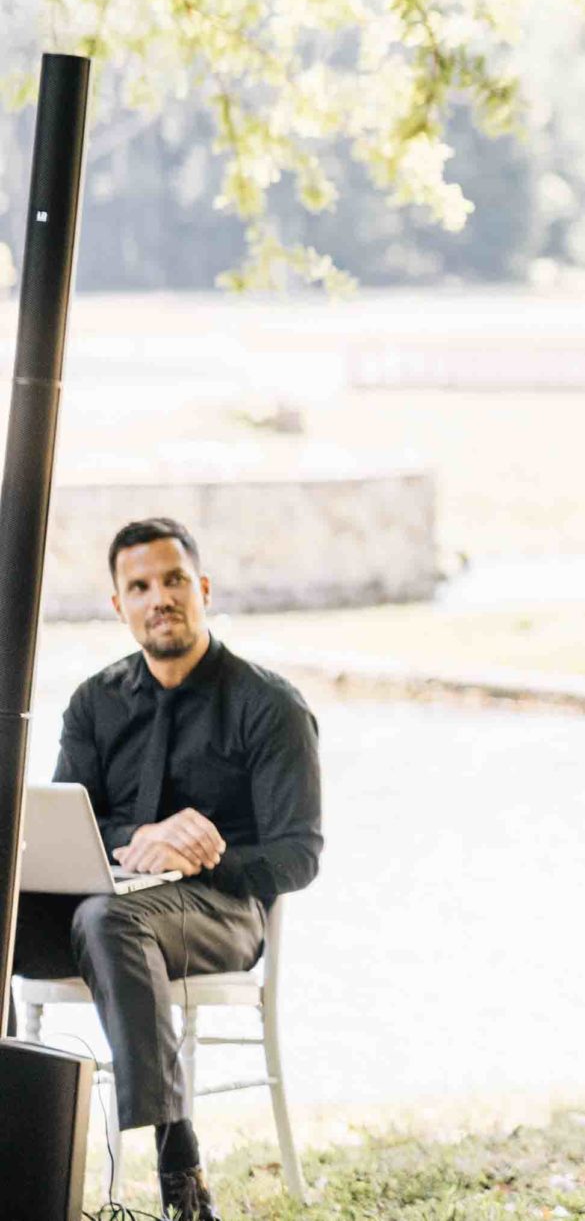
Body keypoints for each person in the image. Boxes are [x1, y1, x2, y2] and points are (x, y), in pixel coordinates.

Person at [9, 518, 323, 1221]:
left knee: (108, 919)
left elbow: (299, 854)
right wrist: (138, 839)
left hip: (223, 912)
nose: (160, 598)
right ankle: (14, 1149)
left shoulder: (269, 705)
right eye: (140, 586)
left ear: (203, 588)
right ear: (118, 604)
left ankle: (182, 1173)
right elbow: (67, 824)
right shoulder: (94, 702)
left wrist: (209, 852)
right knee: (7, 909)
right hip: (109, 907)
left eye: (174, 580)